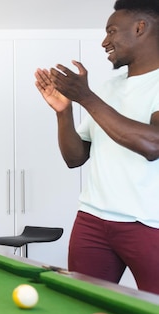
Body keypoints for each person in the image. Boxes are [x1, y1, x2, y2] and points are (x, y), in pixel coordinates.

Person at [34, 0, 159, 294]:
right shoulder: (107, 89)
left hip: (149, 224)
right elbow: (75, 157)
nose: (105, 42)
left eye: (112, 31)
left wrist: (86, 98)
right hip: (93, 221)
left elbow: (153, 144)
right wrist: (63, 111)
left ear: (141, 28)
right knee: (81, 305)